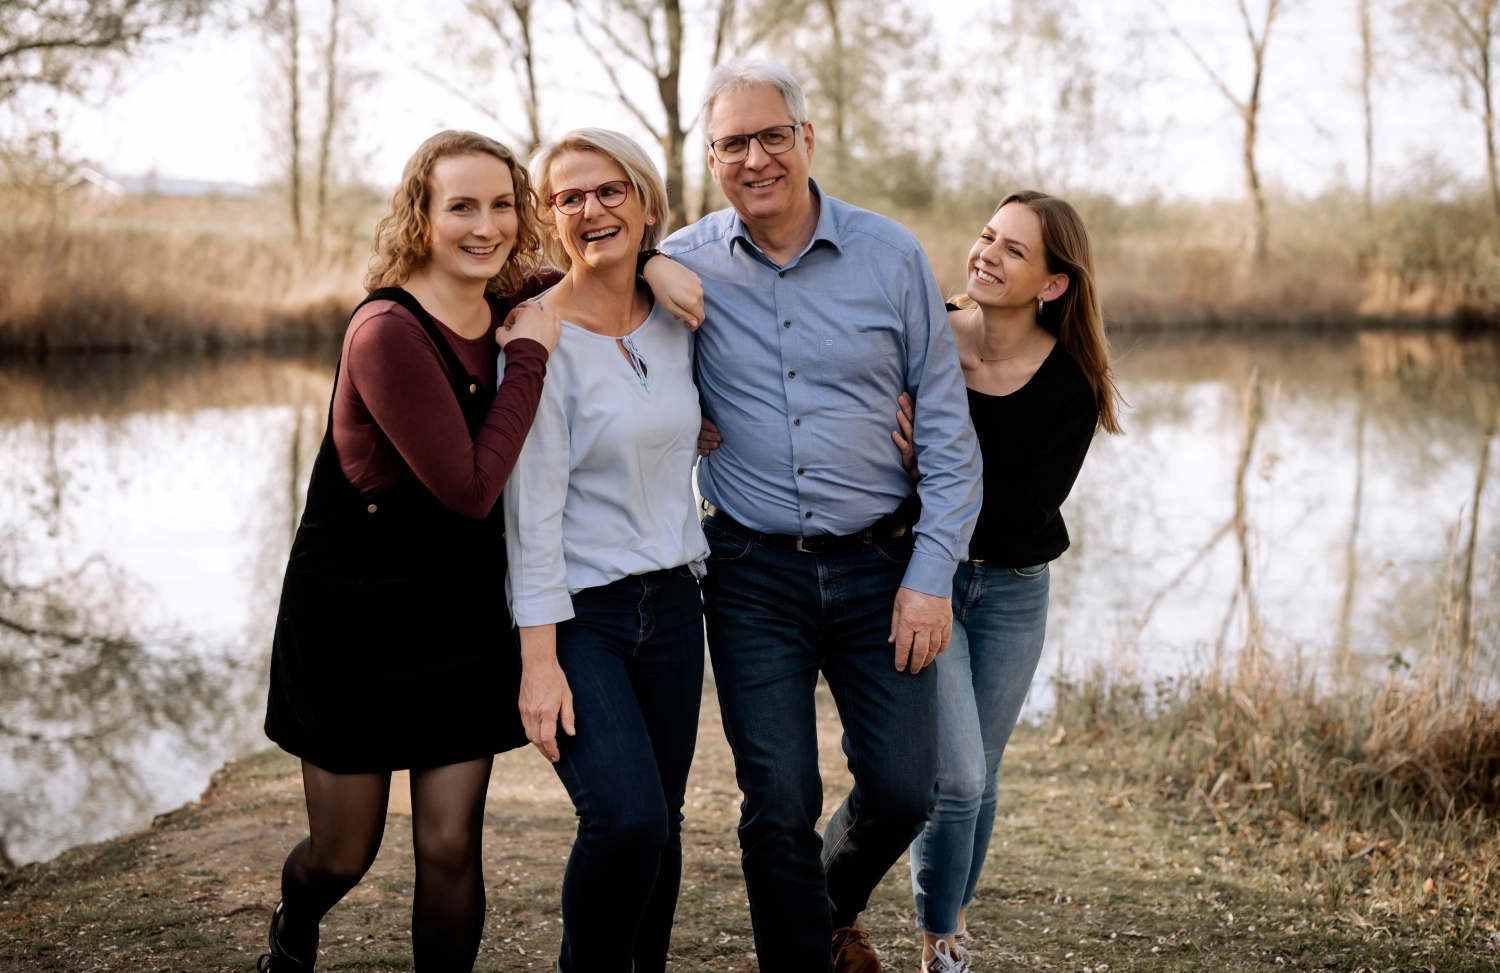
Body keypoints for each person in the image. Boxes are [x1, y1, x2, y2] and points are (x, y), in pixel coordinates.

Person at [259, 129, 702, 973]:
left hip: (459, 612)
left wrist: (657, 266)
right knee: (344, 852)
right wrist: (531, 355)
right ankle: (295, 919)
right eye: (461, 206)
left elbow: (587, 267)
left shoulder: (510, 296)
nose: (485, 225)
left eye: (503, 205)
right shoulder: (389, 330)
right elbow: (471, 487)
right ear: (420, 216)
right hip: (357, 617)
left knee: (452, 843)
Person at [660, 60, 982, 973]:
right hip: (751, 569)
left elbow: (951, 439)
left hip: (884, 565)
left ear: (807, 139)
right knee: (777, 798)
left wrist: (929, 578)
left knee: (903, 786)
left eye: (772, 136)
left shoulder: (891, 255)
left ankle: (824, 909)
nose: (754, 158)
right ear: (712, 156)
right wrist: (644, 259)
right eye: (732, 143)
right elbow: (573, 287)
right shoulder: (681, 264)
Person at [892, 191, 1122, 973]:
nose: (986, 253)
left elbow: (1026, 508)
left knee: (981, 776)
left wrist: (931, 467)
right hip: (932, 579)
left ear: (1053, 284)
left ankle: (948, 927)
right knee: (952, 777)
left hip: (1016, 589)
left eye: (1013, 249)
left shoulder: (1070, 385)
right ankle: (938, 937)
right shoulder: (926, 344)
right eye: (987, 236)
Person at [502, 129, 709, 973]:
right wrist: (538, 659)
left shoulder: (681, 314)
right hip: (583, 616)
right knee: (625, 817)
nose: (591, 209)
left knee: (664, 818)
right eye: (569, 197)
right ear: (551, 221)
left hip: (675, 606)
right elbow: (532, 513)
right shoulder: (540, 336)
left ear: (648, 203)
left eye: (611, 190)